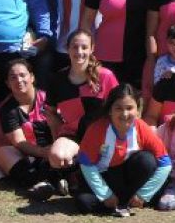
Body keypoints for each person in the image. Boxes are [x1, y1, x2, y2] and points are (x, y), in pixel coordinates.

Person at [76, 84, 171, 216]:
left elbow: (165, 164)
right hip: (103, 176)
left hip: (126, 178)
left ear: (138, 110)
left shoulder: (141, 128)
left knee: (147, 160)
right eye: (119, 108)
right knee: (84, 202)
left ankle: (130, 201)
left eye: (129, 108)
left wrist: (143, 194)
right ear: (110, 110)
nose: (125, 114)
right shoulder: (97, 129)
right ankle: (117, 203)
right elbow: (86, 164)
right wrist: (105, 194)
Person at [44, 30, 119, 177]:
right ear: (67, 48)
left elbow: (120, 108)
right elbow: (51, 115)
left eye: (84, 47)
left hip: (103, 136)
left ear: (92, 48)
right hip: (74, 134)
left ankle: (77, 175)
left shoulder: (106, 76)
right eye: (75, 47)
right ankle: (74, 172)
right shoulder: (57, 80)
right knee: (57, 156)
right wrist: (58, 139)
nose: (79, 52)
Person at [0, 59, 57, 201]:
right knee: (2, 153)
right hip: (29, 155)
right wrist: (43, 152)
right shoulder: (7, 108)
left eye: (23, 75)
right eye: (13, 77)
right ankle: (43, 182)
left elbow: (62, 129)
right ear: (7, 84)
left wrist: (52, 150)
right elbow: (19, 142)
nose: (18, 80)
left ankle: (46, 181)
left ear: (32, 77)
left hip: (54, 150)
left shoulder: (49, 99)